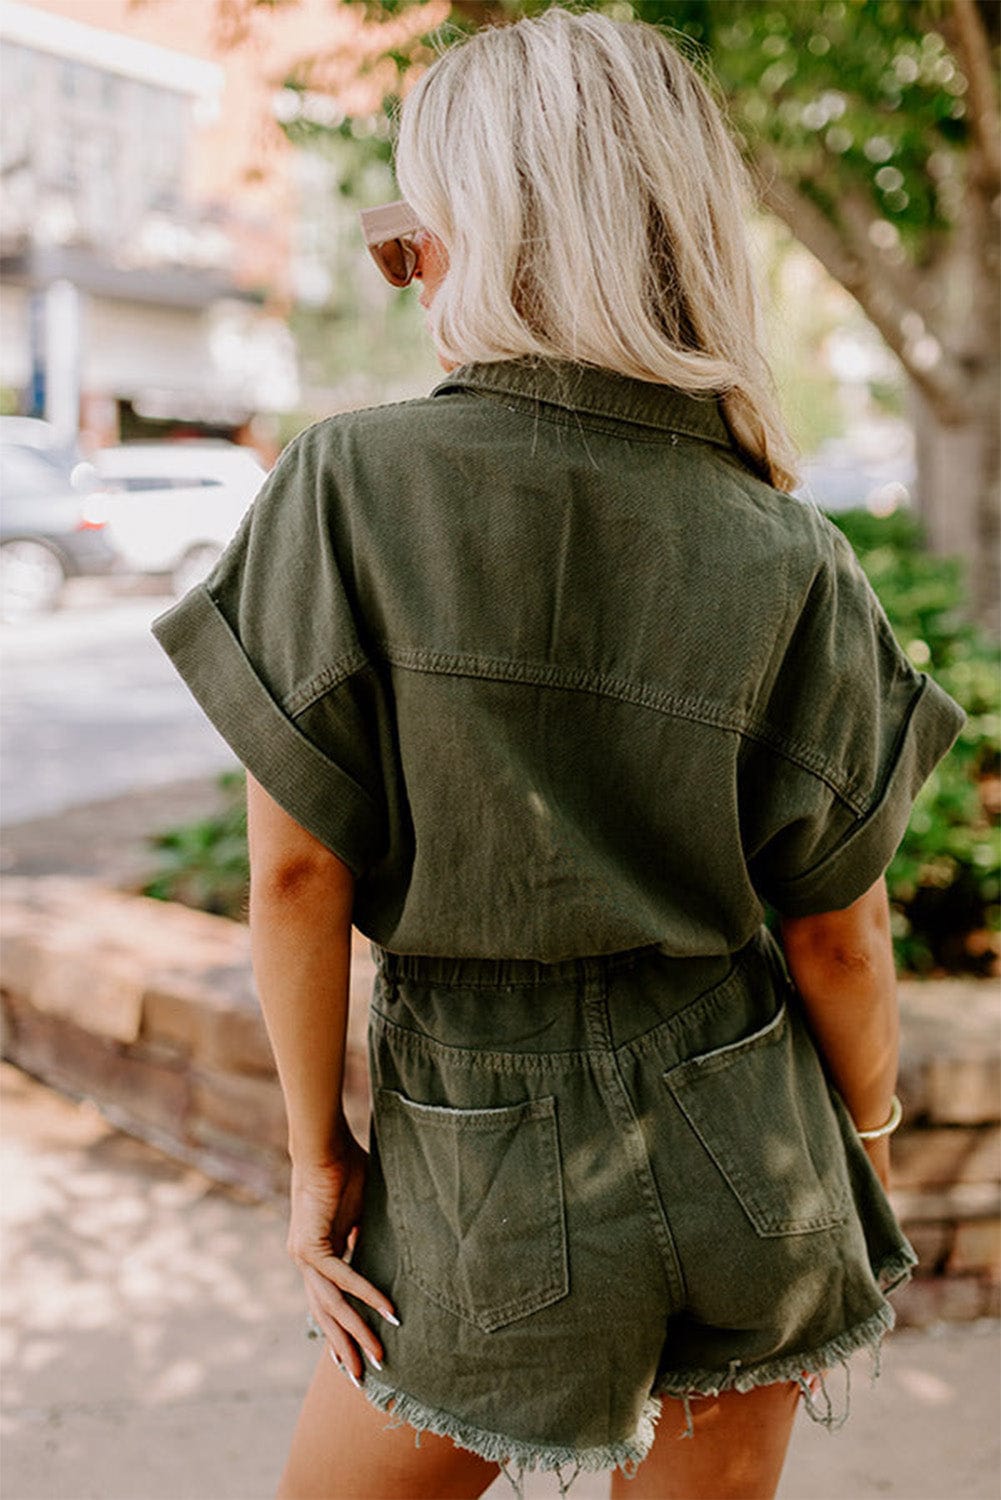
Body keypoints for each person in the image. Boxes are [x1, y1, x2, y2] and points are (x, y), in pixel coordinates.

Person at [150, 9, 967, 1499]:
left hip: (484, 1161)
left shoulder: (351, 484)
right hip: (759, 1151)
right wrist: (858, 1136)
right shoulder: (787, 547)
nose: (411, 274)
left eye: (416, 236)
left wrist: (314, 1160)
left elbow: (295, 871)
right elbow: (839, 940)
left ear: (489, 231)